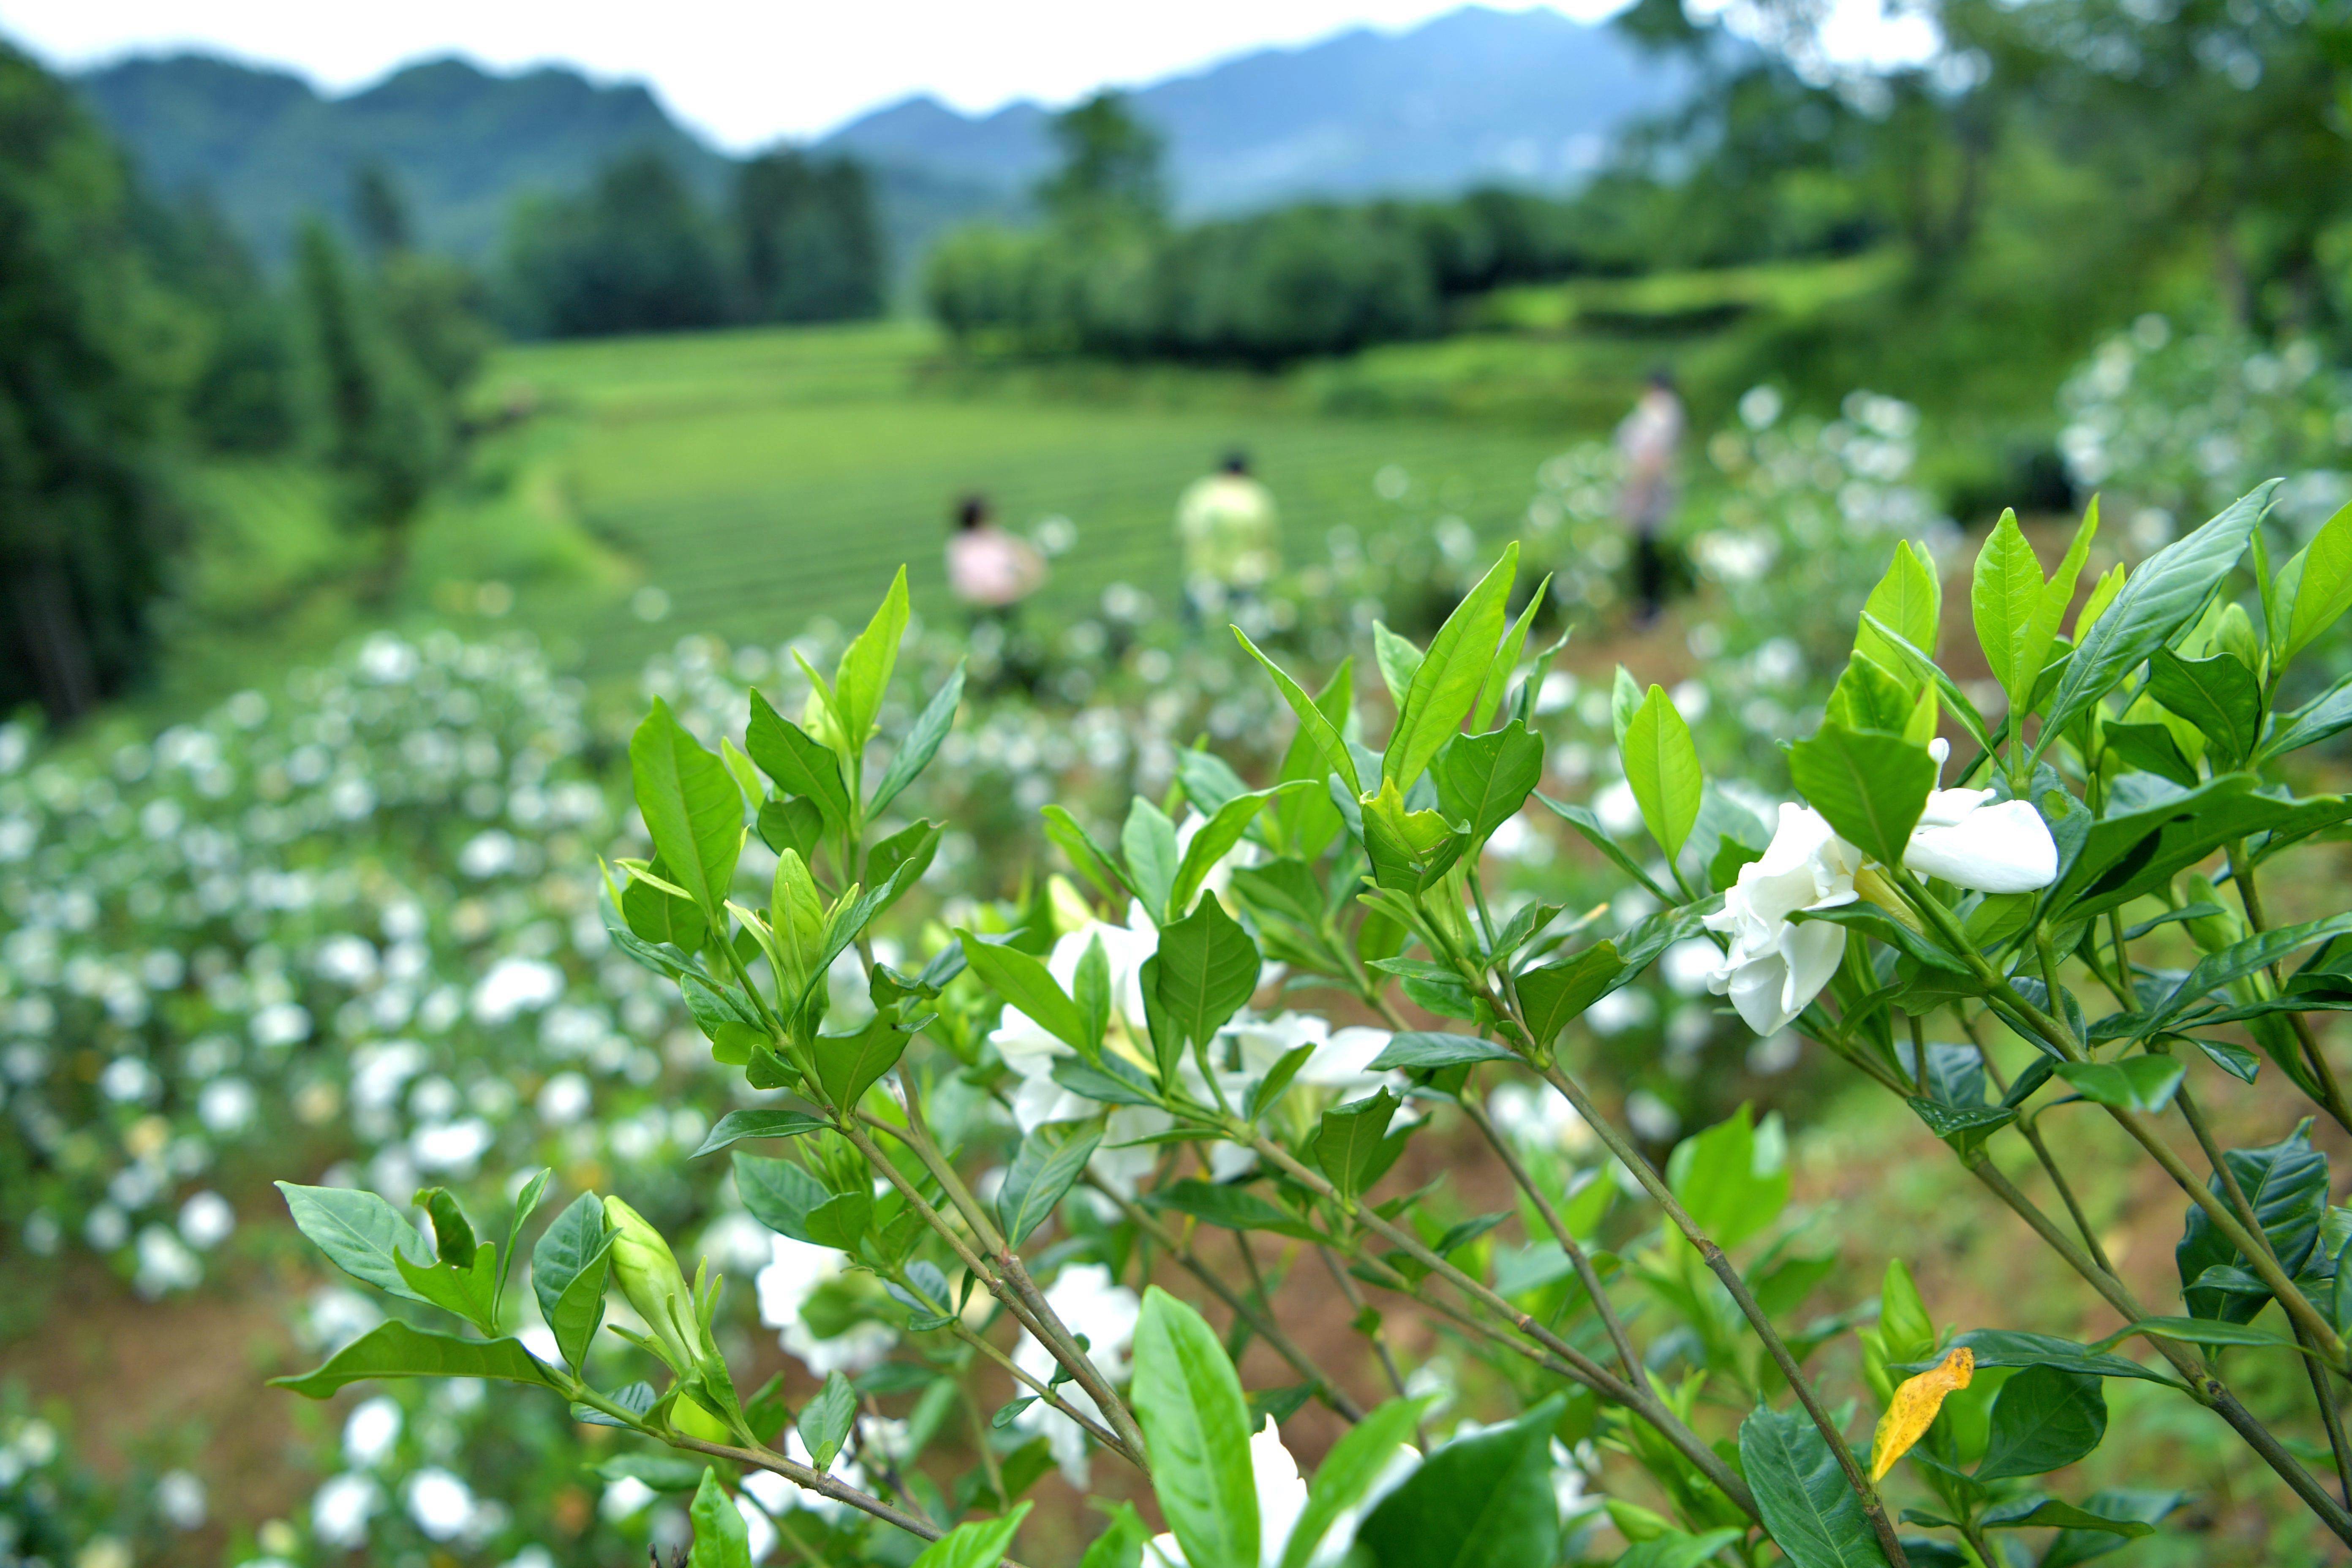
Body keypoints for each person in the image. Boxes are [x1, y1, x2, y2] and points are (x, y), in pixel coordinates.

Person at [1175, 451, 1280, 622]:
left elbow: (1183, 536)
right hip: (1246, 576)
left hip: (1203, 576)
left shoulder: (1199, 494)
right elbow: (1268, 542)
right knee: (1247, 636)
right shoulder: (1255, 495)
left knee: (1209, 631)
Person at [1616, 370, 1684, 624]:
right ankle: (1650, 606)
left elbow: (1651, 456)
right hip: (1651, 490)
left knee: (1646, 552)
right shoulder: (1670, 410)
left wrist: (1638, 490)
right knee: (1648, 549)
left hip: (1646, 491)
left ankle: (1649, 609)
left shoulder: (1660, 410)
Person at [945, 494, 1045, 626]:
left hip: (1007, 604)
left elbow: (1025, 559)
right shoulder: (962, 546)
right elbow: (966, 583)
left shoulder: (994, 537)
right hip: (984, 611)